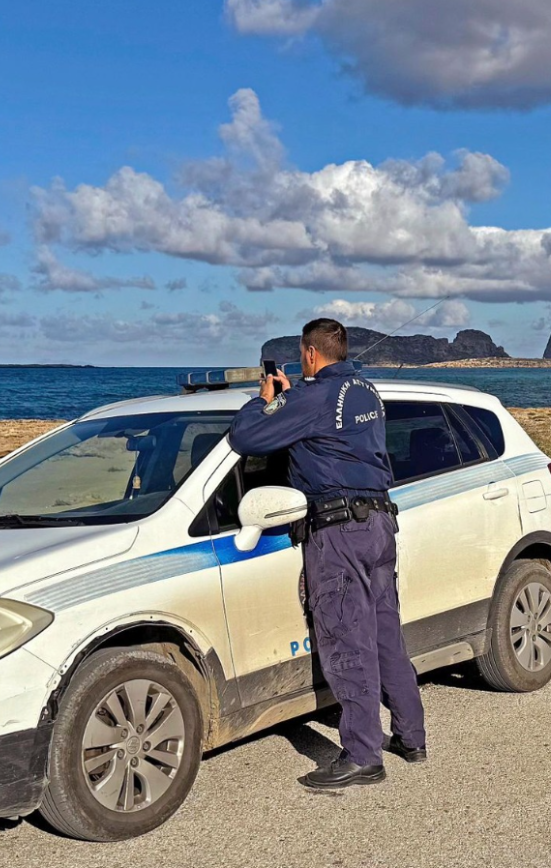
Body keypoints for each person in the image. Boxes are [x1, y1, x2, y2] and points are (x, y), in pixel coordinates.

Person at [229, 318, 427, 789]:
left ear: (310, 354)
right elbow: (332, 430)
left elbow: (246, 438)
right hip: (380, 525)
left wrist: (268, 400)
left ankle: (363, 755)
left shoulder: (310, 397)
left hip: (338, 532)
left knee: (346, 637)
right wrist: (292, 398)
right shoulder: (367, 392)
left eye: (303, 357)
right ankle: (411, 736)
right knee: (384, 634)